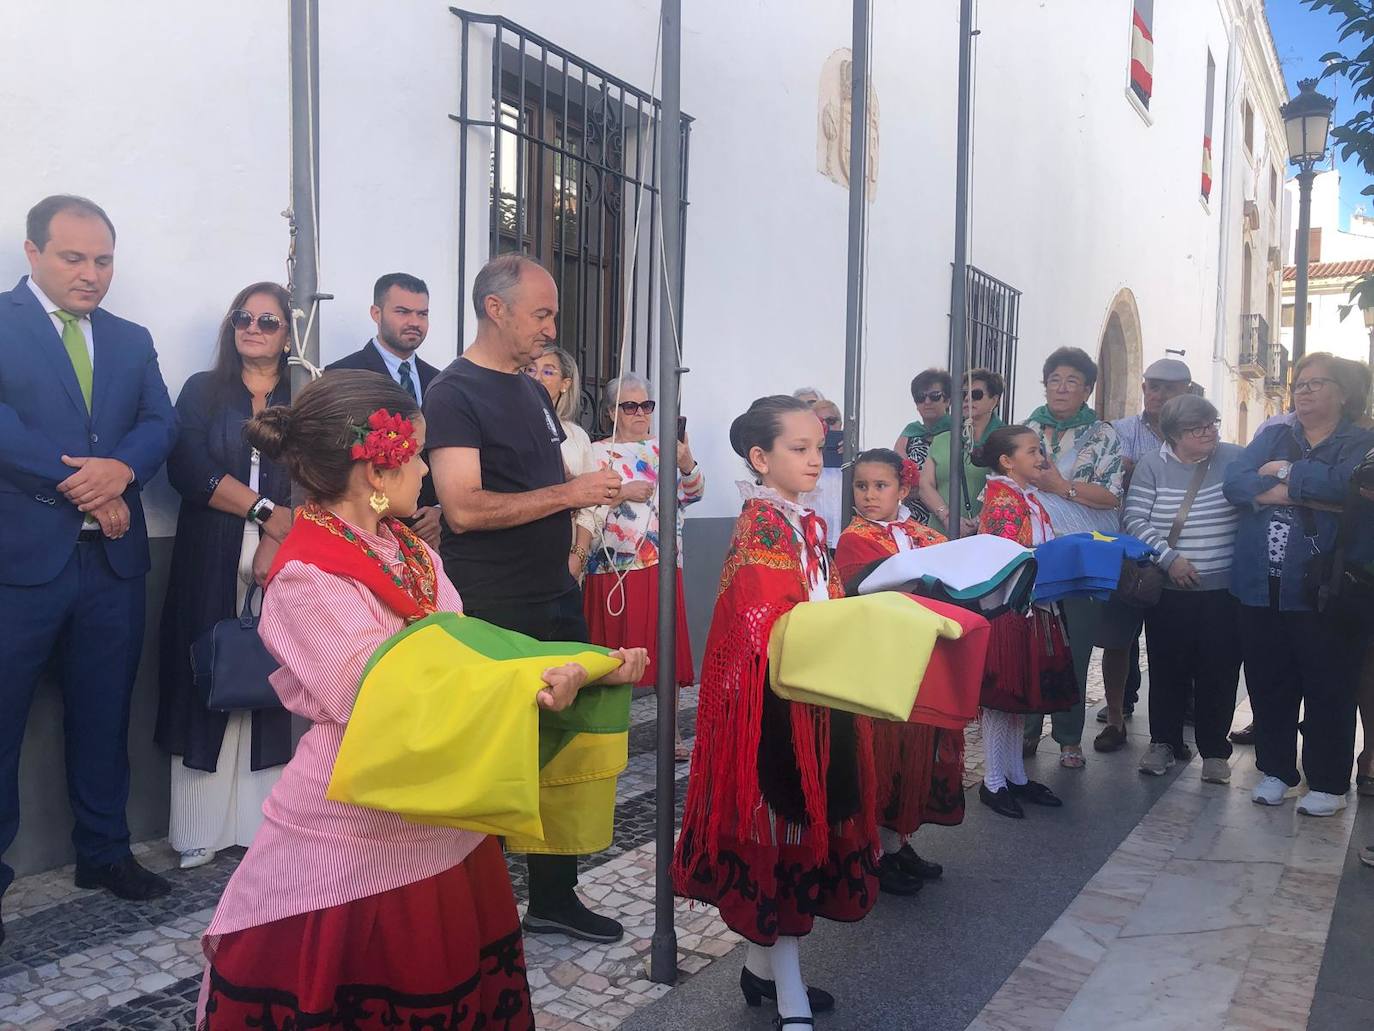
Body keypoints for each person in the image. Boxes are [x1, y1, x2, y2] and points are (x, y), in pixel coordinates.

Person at [197, 370, 646, 1028]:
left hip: (440, 809)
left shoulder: (412, 554)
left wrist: (583, 667)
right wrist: (540, 678)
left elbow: (466, 657)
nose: (425, 471)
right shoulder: (307, 575)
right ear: (375, 471)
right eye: (414, 455)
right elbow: (381, 696)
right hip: (357, 821)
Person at [424, 253, 625, 943]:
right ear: (495, 308)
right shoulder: (453, 393)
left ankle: (553, 897)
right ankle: (469, 908)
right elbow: (463, 508)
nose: (551, 329)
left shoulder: (532, 391)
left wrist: (580, 510)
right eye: (541, 314)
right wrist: (572, 493)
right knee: (491, 753)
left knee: (560, 748)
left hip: (553, 593)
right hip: (493, 603)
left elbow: (537, 488)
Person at [0, 195, 177, 934]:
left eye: (103, 260)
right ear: (33, 253)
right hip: (19, 565)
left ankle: (104, 852)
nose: (91, 274)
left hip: (112, 567)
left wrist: (122, 471)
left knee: (105, 715)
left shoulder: (131, 339)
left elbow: (160, 421)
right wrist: (88, 484)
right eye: (73, 257)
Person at [673, 395, 878, 1030]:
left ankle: (762, 972)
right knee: (782, 831)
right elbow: (765, 617)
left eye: (820, 448)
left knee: (800, 827)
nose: (816, 460)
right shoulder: (763, 524)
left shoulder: (802, 522)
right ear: (761, 458)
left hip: (811, 691)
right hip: (776, 702)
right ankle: (788, 991)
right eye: (800, 449)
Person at [155, 283, 295, 870]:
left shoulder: (304, 395)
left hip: (286, 554)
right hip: (208, 551)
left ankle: (261, 825)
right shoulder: (203, 390)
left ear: (288, 334)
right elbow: (188, 467)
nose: (253, 328)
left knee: (270, 678)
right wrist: (264, 513)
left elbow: (320, 477)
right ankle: (199, 829)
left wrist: (276, 538)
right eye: (244, 317)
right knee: (207, 674)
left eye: (268, 320)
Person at [1224, 353, 1374, 816]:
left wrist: (1283, 473)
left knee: (1329, 685)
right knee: (1269, 681)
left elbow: (1348, 487)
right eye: (1300, 383)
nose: (1303, 391)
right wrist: (1297, 491)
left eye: (1316, 383)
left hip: (1326, 588)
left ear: (1343, 393)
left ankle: (1328, 782)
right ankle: (1276, 771)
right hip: (1260, 584)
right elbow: (1235, 482)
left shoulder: (1361, 442)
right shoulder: (1274, 434)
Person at [835, 448, 959, 893]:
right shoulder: (853, 539)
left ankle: (897, 841)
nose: (869, 495)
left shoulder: (926, 535)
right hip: (880, 660)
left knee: (913, 753)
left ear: (903, 489)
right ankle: (871, 852)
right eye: (861, 486)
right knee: (880, 758)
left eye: (880, 486)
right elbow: (859, 594)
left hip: (922, 657)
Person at [1123, 395, 1244, 782]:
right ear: (1174, 435)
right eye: (1197, 428)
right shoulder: (1152, 465)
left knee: (1219, 670)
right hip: (1171, 590)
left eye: (1212, 424)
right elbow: (1134, 518)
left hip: (1223, 590)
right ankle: (1163, 742)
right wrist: (1170, 558)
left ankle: (1215, 751)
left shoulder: (1235, 458)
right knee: (1167, 667)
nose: (1208, 432)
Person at [585, 372, 703, 760]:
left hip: (662, 561)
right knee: (612, 653)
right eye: (629, 406)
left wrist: (687, 463)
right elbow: (582, 500)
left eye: (646, 406)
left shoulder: (665, 449)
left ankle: (671, 732)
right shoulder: (596, 452)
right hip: (612, 565)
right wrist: (622, 492)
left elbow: (695, 494)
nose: (639, 413)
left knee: (666, 649)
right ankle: (606, 734)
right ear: (611, 412)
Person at [1021, 346, 1125, 768]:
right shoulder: (1026, 430)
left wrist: (1061, 487)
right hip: (1033, 551)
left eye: (1072, 381)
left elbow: (1111, 496)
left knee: (1075, 647)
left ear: (1087, 390)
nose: (1062, 388)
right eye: (1055, 380)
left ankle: (1068, 738)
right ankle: (1026, 730)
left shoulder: (1103, 436)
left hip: (1082, 554)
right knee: (1029, 645)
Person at [972, 426, 1076, 818]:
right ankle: (993, 781)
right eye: (1031, 451)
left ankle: (1014, 774)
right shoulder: (1003, 500)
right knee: (1003, 697)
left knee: (1018, 700)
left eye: (1039, 450)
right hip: (1008, 609)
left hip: (1029, 605)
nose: (1040, 458)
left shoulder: (1022, 496)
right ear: (1007, 461)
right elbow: (1001, 559)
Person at [1092, 358, 1193, 752]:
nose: (1158, 394)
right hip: (1127, 551)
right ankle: (1117, 715)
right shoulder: (1118, 432)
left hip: (1177, 552)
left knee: (1173, 644)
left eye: (1168, 387)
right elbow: (1104, 478)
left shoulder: (1193, 434)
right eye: (1152, 386)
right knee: (1119, 639)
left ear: (1186, 390)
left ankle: (1170, 727)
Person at [327, 273, 442, 549]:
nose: (414, 322)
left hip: (429, 536)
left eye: (422, 314)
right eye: (403, 312)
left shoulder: (440, 381)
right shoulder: (344, 374)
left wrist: (441, 510)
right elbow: (337, 458)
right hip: (364, 531)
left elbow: (444, 452)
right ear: (376, 313)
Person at [525, 345, 601, 580]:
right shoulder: (508, 426)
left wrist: (578, 554)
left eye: (548, 372)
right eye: (531, 369)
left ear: (565, 384)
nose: (537, 377)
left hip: (566, 551)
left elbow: (591, 505)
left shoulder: (577, 437)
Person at [917, 368, 1007, 536]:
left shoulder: (1005, 441)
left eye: (976, 395)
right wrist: (947, 518)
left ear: (994, 400)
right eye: (963, 394)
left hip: (985, 535)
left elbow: (1009, 487)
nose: (967, 399)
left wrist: (977, 521)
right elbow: (925, 485)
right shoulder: (942, 439)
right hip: (939, 534)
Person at [894, 368, 953, 524]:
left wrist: (922, 486)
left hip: (950, 516)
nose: (927, 402)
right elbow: (897, 471)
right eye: (920, 397)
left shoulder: (958, 432)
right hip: (916, 518)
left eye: (934, 396)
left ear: (947, 400)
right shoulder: (910, 433)